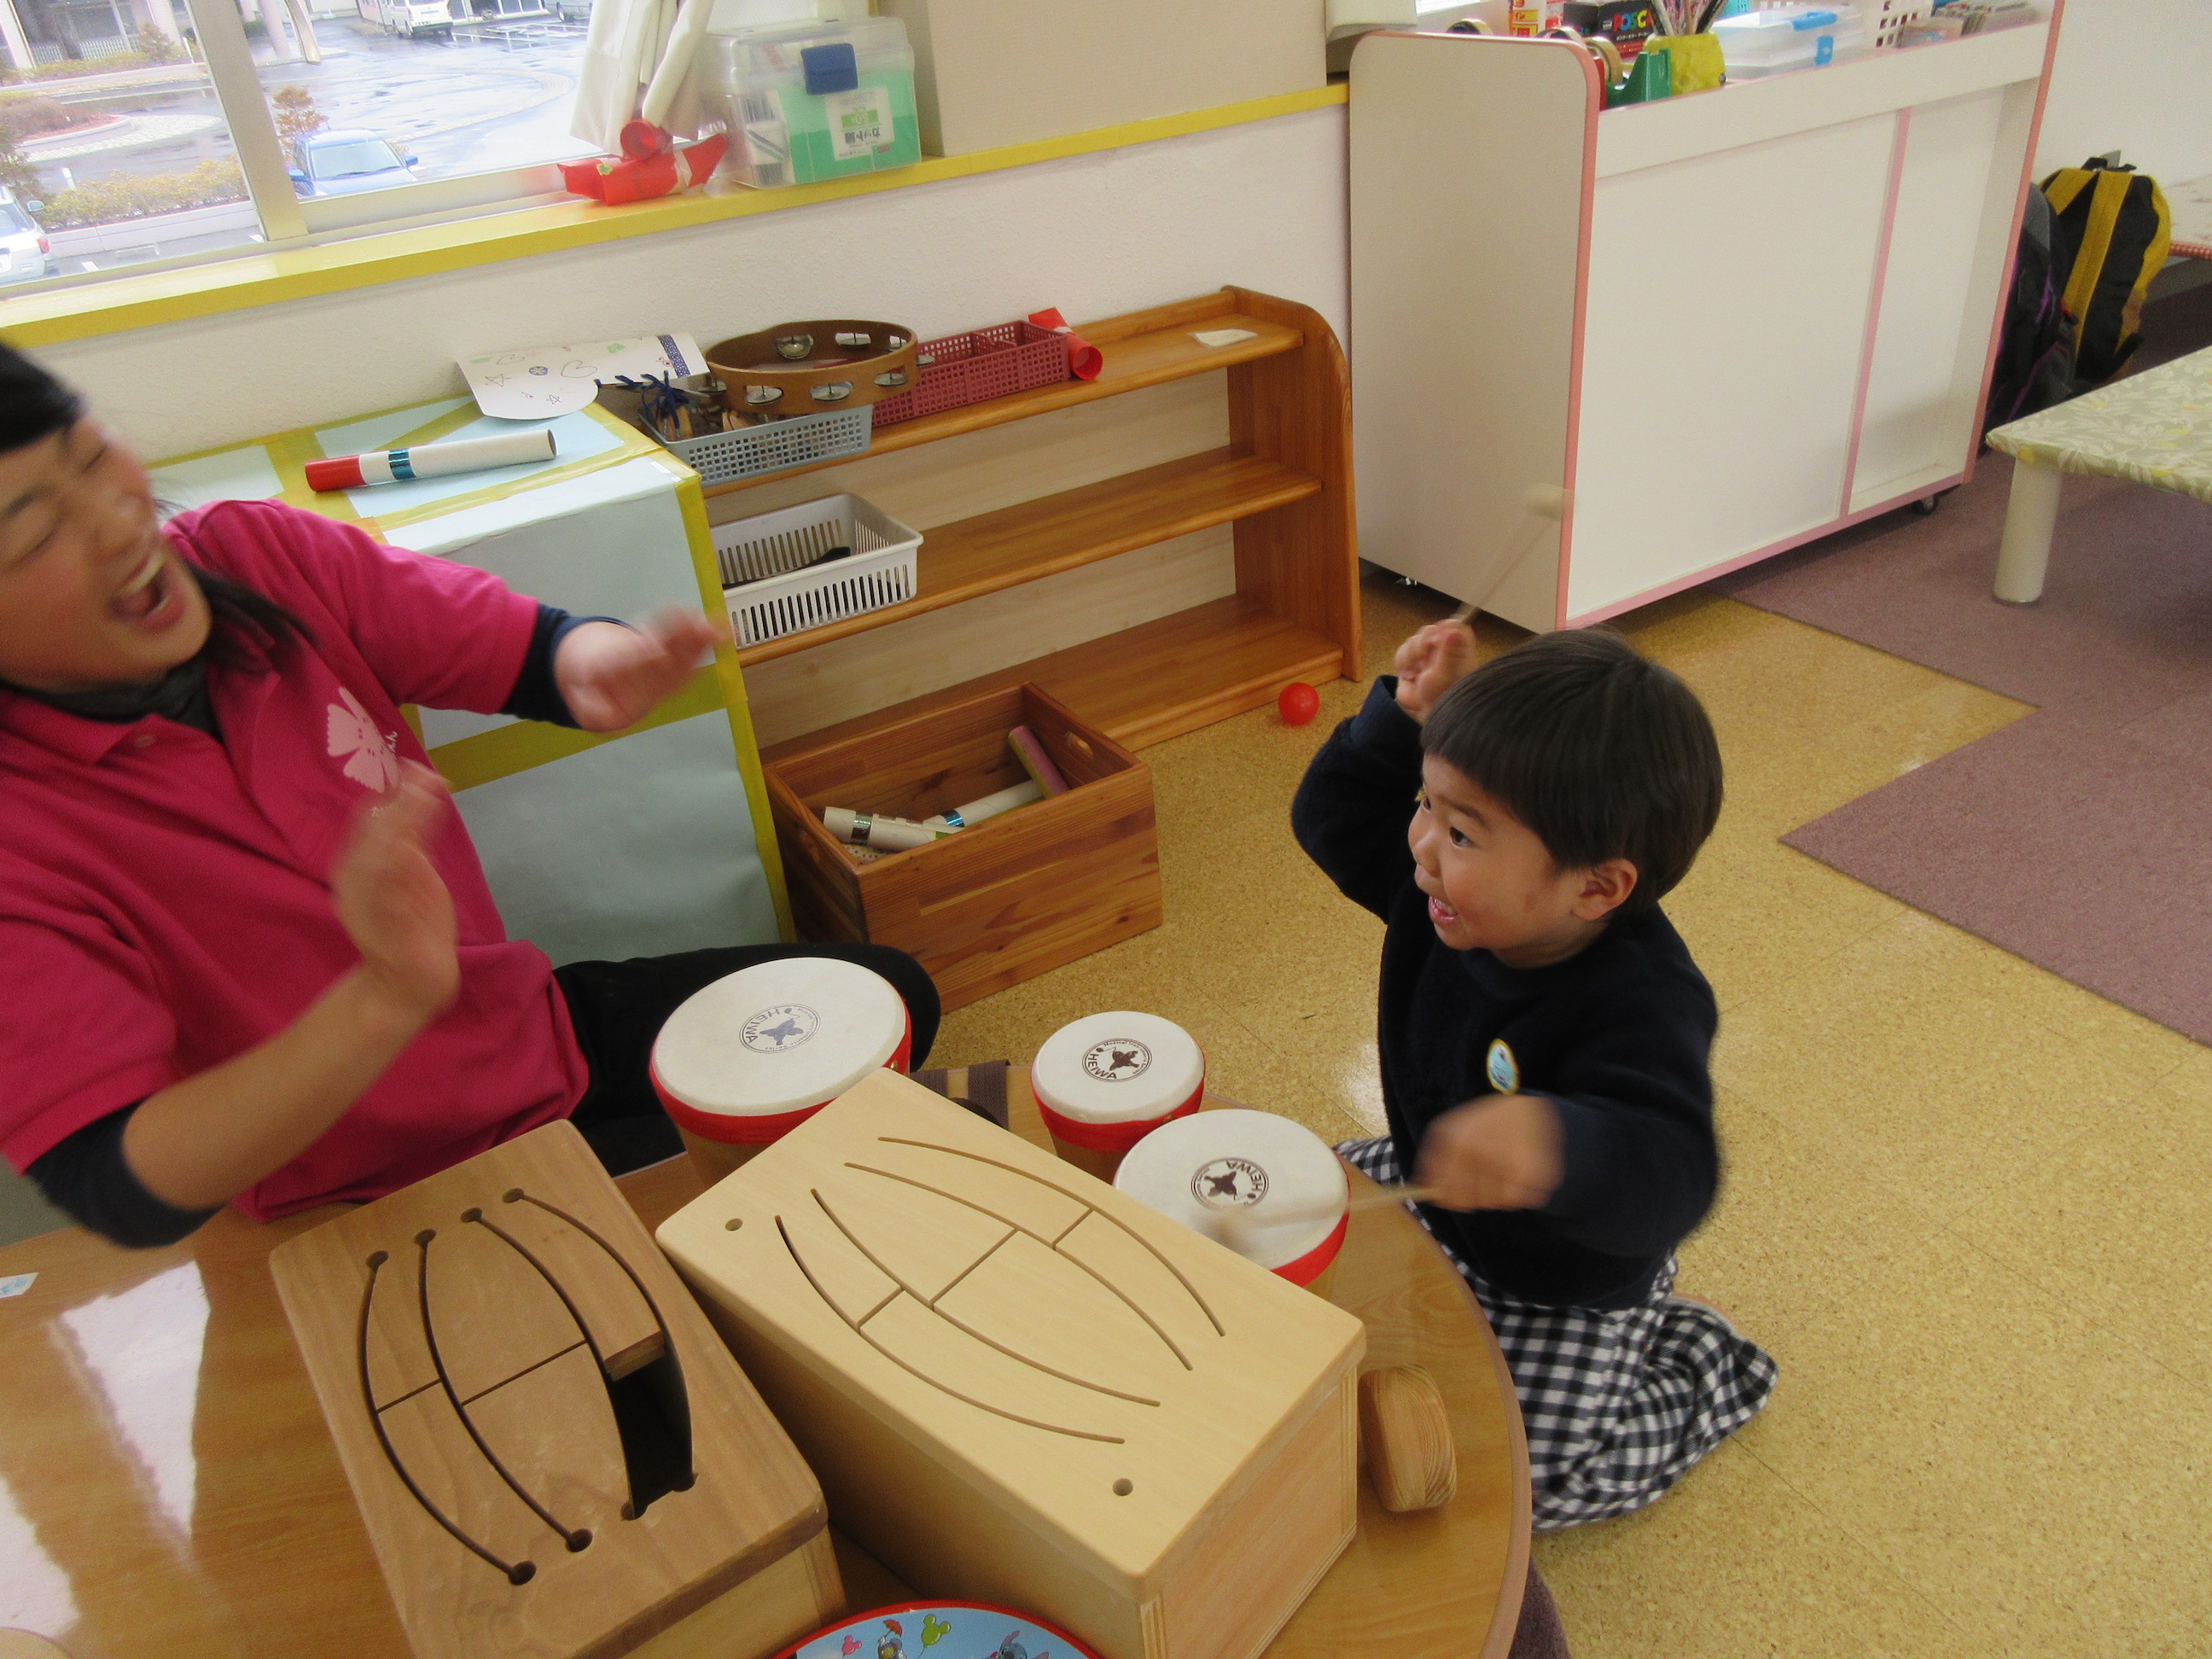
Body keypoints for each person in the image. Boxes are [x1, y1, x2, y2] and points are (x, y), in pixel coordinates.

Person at [0, 342, 937, 1249]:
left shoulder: (250, 554)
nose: (116, 522)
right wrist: (381, 1001)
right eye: (35, 533)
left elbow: (519, 645)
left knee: (885, 1006)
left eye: (90, 454)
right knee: (787, 1208)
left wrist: (592, 660)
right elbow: (120, 1184)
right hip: (376, 1190)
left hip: (532, 1034)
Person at [1291, 620, 1775, 1529]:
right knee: (1269, 1212)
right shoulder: (1446, 893)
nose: (1421, 845)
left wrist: (1558, 1142)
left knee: (1526, 1479)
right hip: (1431, 1183)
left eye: (1461, 831)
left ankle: (1699, 1362)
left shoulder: (1646, 999)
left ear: (1596, 888)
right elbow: (1331, 820)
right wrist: (1405, 722)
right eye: (1427, 802)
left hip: (1560, 1279)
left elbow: (1675, 1172)